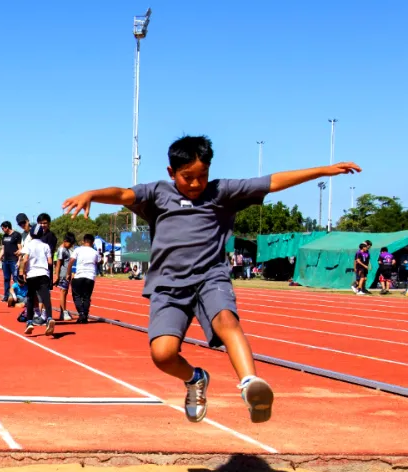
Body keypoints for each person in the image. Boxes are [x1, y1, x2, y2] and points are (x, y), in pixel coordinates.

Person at [62, 134, 360, 423]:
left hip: (210, 276)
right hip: (167, 284)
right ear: (171, 172)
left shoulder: (222, 192)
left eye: (201, 176)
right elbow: (123, 194)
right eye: (187, 177)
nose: (195, 184)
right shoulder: (157, 193)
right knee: (162, 354)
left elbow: (272, 181)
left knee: (227, 320)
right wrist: (92, 194)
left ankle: (249, 383)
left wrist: (324, 170)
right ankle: (195, 379)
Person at [17, 222, 55, 336]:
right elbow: (50, 262)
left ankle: (29, 322)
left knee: (30, 297)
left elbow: (25, 259)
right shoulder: (45, 246)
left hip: (32, 274)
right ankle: (49, 318)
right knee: (45, 298)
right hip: (43, 274)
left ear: (31, 234)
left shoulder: (28, 245)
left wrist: (22, 272)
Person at [70, 233, 99, 324]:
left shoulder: (78, 249)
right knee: (87, 297)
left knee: (77, 295)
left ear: (83, 241)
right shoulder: (95, 252)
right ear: (93, 242)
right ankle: (85, 315)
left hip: (79, 275)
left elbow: (71, 261)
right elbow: (99, 261)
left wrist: (68, 273)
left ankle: (81, 313)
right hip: (90, 277)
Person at [0, 221, 22, 303]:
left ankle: (17, 296)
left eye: (3, 228)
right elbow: (3, 249)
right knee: (6, 279)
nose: (2, 230)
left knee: (16, 278)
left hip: (14, 260)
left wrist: (19, 260)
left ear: (7, 227)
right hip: (6, 261)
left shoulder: (16, 235)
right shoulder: (4, 236)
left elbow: (20, 248)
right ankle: (6, 296)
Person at [55, 233, 76, 320]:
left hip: (67, 274)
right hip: (63, 275)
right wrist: (57, 276)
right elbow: (58, 263)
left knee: (65, 292)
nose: (71, 245)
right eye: (70, 243)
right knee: (63, 292)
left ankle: (62, 312)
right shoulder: (62, 250)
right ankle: (63, 311)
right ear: (65, 241)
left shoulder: (66, 249)